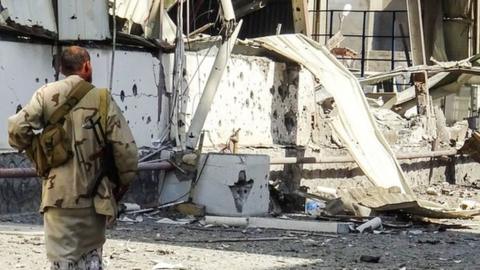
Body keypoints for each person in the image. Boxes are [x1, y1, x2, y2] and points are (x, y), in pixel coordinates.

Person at [8, 46, 138, 269]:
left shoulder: (46, 94)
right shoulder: (103, 99)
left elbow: (17, 130)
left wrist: (38, 153)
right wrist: (120, 186)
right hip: (94, 197)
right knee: (91, 258)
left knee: (61, 261)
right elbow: (126, 151)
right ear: (87, 65)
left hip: (56, 195)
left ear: (61, 69)